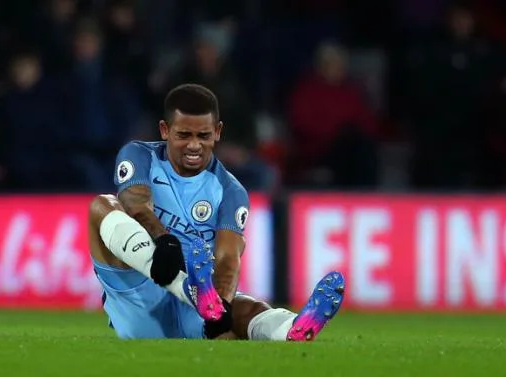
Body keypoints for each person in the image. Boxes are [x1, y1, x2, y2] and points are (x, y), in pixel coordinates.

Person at [88, 83, 345, 340]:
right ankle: (188, 290)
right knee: (102, 206)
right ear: (165, 130)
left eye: (203, 136)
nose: (194, 146)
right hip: (138, 292)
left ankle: (292, 329)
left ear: (218, 132)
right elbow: (135, 205)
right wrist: (163, 240)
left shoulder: (230, 191)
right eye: (184, 135)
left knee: (245, 310)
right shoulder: (139, 155)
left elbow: (227, 258)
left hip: (194, 308)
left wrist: (221, 309)